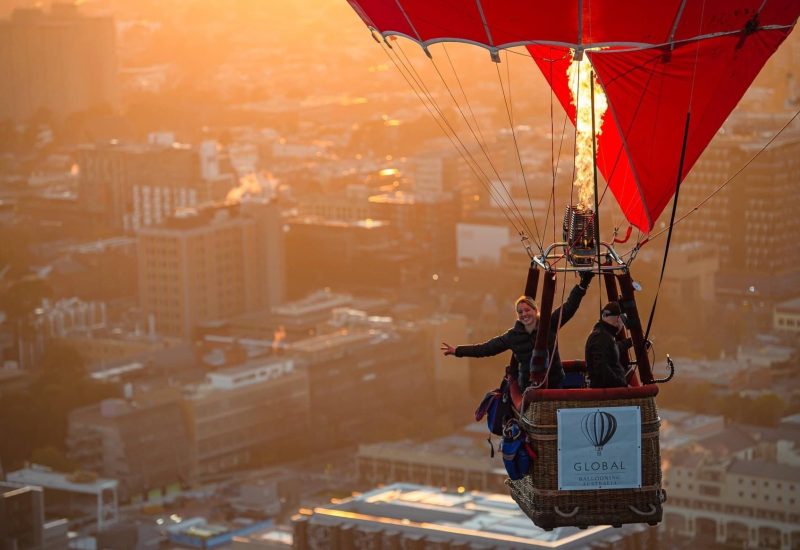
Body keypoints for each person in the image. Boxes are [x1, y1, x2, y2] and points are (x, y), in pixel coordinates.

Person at [441, 272, 594, 390]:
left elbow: (569, 307)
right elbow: (486, 348)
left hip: (554, 382)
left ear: (535, 311)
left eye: (527, 310)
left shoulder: (549, 324)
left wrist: (583, 285)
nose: (524, 314)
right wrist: (458, 351)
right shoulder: (512, 336)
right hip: (528, 387)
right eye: (520, 312)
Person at [585, 301, 632, 388]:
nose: (622, 326)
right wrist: (623, 386)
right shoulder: (602, 338)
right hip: (607, 396)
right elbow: (602, 369)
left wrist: (630, 342)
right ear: (618, 319)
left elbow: (613, 349)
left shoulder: (603, 335)